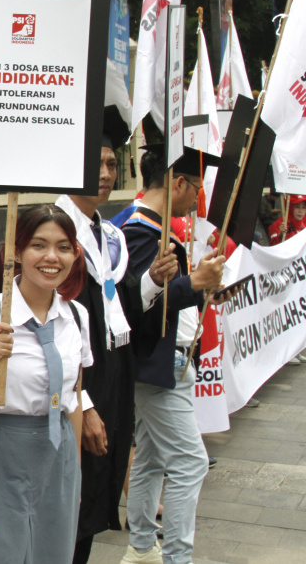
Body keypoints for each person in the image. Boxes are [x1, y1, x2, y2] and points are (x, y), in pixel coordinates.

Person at [52, 107, 178, 564]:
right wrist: (81, 402)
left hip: (113, 369)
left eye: (110, 164)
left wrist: (155, 282)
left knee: (96, 493)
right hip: (78, 381)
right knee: (71, 501)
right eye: (95, 164)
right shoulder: (54, 231)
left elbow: (120, 302)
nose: (105, 174)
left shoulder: (107, 234)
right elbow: (49, 318)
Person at [119, 145, 226, 564]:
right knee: (189, 463)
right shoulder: (139, 230)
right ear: (177, 182)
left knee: (149, 457)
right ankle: (176, 557)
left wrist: (197, 283)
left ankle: (142, 546)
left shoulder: (158, 226)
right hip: (156, 361)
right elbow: (138, 305)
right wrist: (194, 282)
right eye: (196, 188)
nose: (197, 198)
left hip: (169, 360)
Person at [0, 205, 90, 563]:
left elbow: (74, 398)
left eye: (63, 246)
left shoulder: (76, 316)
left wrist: (76, 474)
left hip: (58, 453)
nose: (51, 257)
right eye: (39, 245)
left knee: (53, 554)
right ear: (17, 253)